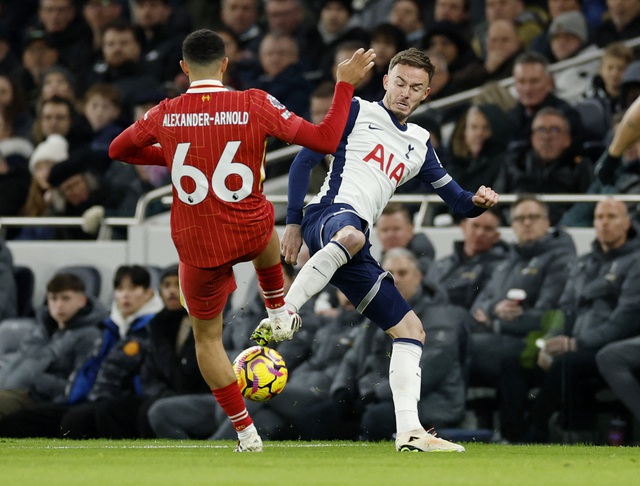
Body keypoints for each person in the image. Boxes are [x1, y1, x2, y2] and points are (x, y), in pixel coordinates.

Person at [108, 29, 375, 452]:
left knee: (207, 340)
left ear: (183, 69)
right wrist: (344, 83)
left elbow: (117, 149)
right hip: (249, 230)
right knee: (262, 224)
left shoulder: (165, 112)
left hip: (196, 244)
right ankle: (278, 307)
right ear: (225, 64)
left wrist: (177, 154)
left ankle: (246, 432)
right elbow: (325, 139)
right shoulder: (253, 101)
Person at [256, 47, 499, 453]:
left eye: (415, 87)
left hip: (354, 241)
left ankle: (410, 432)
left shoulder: (420, 144)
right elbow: (304, 161)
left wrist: (478, 202)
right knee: (351, 235)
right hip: (328, 216)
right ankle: (285, 312)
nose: (405, 92)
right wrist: (294, 222)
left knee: (411, 331)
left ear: (427, 93)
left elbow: (456, 201)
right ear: (386, 81)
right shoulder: (353, 110)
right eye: (399, 83)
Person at [499, 198, 640, 443]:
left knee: (566, 364)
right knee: (513, 363)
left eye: (611, 217)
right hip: (571, 345)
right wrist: (549, 341)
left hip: (606, 348)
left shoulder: (636, 262)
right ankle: (510, 436)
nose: (604, 223)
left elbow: (625, 320)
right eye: (599, 217)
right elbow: (563, 310)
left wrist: (576, 343)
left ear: (627, 223)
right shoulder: (583, 262)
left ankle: (536, 432)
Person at [0, 265, 162, 438]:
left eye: (133, 288)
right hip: (82, 397)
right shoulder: (111, 328)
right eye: (120, 289)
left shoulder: (147, 328)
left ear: (148, 293)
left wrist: (36, 379)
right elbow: (89, 372)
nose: (125, 295)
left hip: (126, 398)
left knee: (74, 420)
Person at [470, 195, 576, 388]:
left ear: (547, 222)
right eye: (520, 219)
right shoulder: (507, 260)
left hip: (531, 339)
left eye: (533, 217)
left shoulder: (560, 259)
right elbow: (479, 305)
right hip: (500, 334)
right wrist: (495, 308)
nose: (526, 223)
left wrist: (496, 322)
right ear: (512, 225)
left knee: (464, 346)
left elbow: (548, 315)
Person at [0, 273, 106, 419]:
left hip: (40, 398)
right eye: (53, 299)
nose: (58, 305)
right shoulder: (42, 330)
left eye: (65, 298)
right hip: (15, 390)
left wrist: (37, 380)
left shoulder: (89, 336)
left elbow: (81, 386)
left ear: (82, 300)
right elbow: (19, 360)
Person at [426, 209, 509, 312]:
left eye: (488, 229)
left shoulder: (503, 267)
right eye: (475, 226)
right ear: (463, 226)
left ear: (496, 236)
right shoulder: (441, 265)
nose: (480, 233)